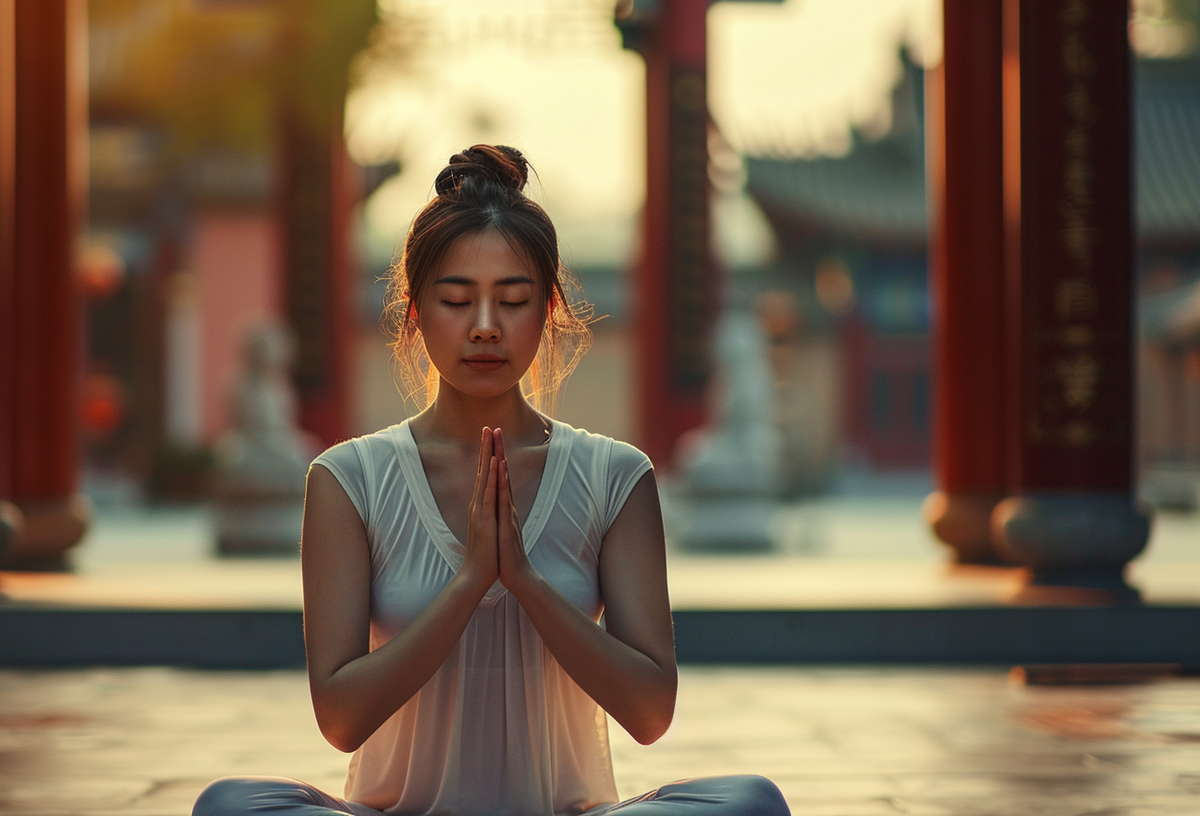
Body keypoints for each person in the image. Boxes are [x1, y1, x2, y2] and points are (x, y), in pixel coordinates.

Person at [193, 145, 790, 816]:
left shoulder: (615, 477)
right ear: (416, 313)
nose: (484, 327)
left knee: (750, 802)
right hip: (396, 814)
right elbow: (340, 720)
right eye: (456, 299)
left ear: (548, 312)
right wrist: (469, 583)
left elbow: (650, 714)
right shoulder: (346, 480)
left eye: (512, 300)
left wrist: (528, 584)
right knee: (231, 806)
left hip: (564, 813)